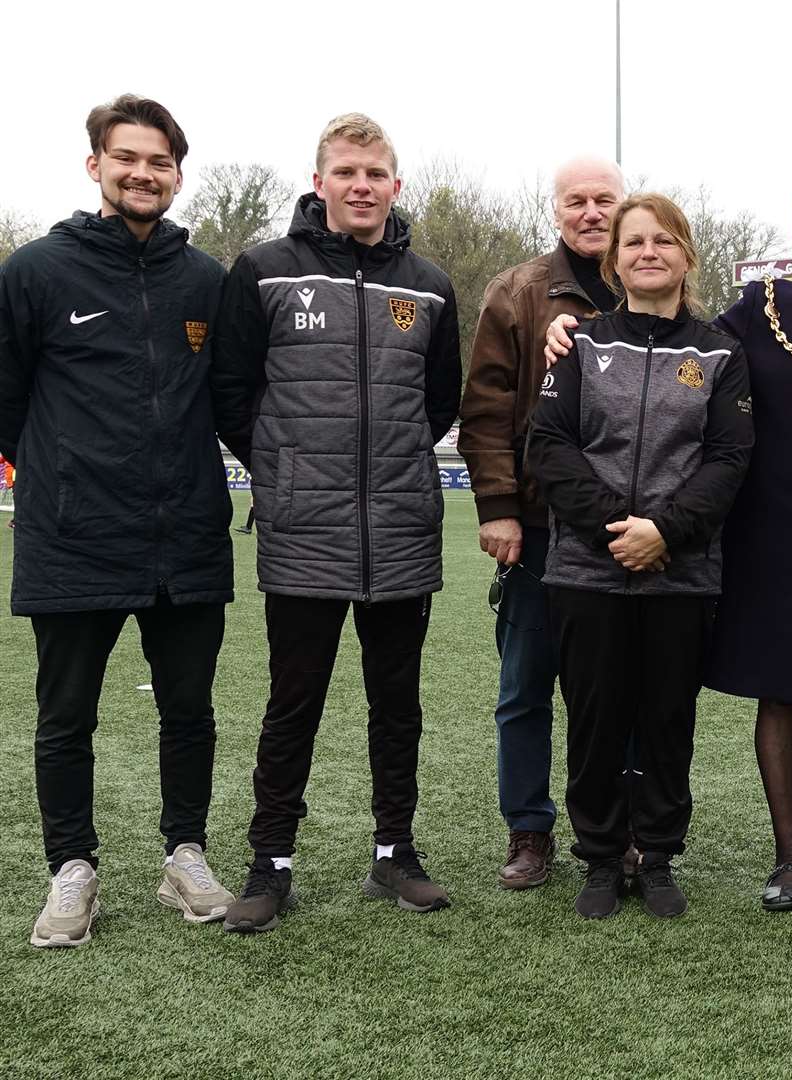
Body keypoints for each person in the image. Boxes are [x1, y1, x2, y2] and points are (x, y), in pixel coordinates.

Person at [548, 174, 792, 912]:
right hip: (770, 535)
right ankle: (786, 862)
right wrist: (567, 326)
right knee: (780, 693)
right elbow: (666, 322)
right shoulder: (760, 309)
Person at [210, 113, 462, 932]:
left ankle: (395, 854)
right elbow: (230, 394)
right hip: (303, 530)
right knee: (294, 703)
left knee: (399, 706)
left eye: (376, 173)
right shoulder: (264, 269)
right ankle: (270, 861)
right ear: (319, 183)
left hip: (399, 532)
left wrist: (382, 468)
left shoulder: (428, 282)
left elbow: (440, 402)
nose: (362, 186)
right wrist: (286, 471)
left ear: (395, 184)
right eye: (346, 173)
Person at [0, 95, 235, 947]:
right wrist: (62, 477)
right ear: (94, 164)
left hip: (187, 539)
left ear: (177, 173)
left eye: (161, 161)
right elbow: (8, 400)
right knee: (65, 716)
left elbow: (230, 400)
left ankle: (186, 856)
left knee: (190, 710)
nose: (144, 173)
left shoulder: (206, 278)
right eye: (126, 157)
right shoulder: (33, 271)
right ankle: (73, 871)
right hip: (73, 539)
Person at [530, 193, 752, 919]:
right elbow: (551, 448)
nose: (647, 252)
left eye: (663, 241)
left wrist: (665, 531)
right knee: (593, 719)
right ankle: (599, 858)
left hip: (680, 576)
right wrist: (616, 531)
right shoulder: (581, 346)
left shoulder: (721, 353)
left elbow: (727, 458)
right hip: (585, 573)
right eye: (633, 243)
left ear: (686, 253)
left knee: (666, 721)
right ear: (612, 259)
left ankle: (656, 856)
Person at [460, 157, 624, 890]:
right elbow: (487, 410)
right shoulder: (517, 292)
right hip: (538, 527)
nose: (592, 212)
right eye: (577, 201)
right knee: (525, 688)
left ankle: (615, 826)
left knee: (615, 688)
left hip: (624, 531)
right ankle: (528, 829)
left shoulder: (652, 281)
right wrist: (497, 507)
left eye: (604, 200)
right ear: (556, 210)